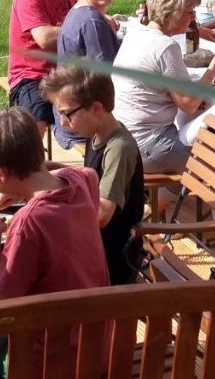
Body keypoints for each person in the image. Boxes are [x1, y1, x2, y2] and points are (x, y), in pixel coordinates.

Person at [0, 108, 108, 369]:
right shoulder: (82, 180)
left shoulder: (29, 222)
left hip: (50, 359)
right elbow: (89, 173)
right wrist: (29, 187)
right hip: (96, 343)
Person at [112, 0, 215, 175]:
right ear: (174, 11)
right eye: (190, 12)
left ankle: (160, 199)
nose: (193, 19)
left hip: (122, 137)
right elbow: (188, 104)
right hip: (148, 147)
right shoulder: (165, 46)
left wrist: (193, 96)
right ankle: (174, 200)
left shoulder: (136, 32)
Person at [40, 66, 143, 284]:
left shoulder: (119, 148)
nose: (63, 122)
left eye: (67, 113)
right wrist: (42, 170)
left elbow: (102, 215)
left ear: (96, 108)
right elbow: (91, 176)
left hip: (110, 260)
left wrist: (53, 222)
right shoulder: (96, 133)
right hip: (93, 247)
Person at [7, 0, 90, 138]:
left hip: (66, 73)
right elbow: (44, 38)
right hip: (33, 76)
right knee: (37, 123)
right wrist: (86, 26)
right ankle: (27, 166)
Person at [52, 0, 121, 148]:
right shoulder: (92, 22)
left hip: (68, 113)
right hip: (82, 125)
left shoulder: (78, 11)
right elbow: (108, 80)